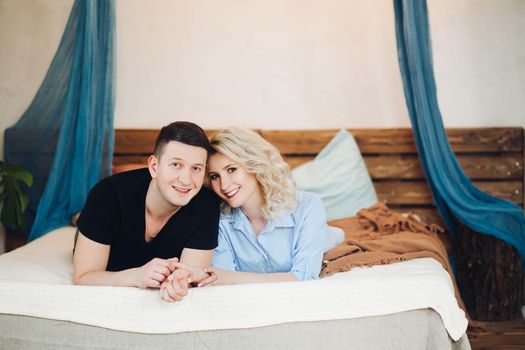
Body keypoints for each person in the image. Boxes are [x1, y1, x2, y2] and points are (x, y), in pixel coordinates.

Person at [165, 127, 334, 288]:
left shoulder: (308, 206)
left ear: (254, 165)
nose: (224, 185)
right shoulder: (218, 221)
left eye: (231, 169)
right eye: (215, 176)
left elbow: (305, 278)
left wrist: (231, 278)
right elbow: (222, 282)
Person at [73, 121, 220, 302]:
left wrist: (178, 284)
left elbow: (187, 274)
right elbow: (83, 277)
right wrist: (136, 277)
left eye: (196, 168)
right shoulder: (106, 195)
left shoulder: (207, 205)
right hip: (108, 217)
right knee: (89, 221)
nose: (186, 180)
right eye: (176, 165)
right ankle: (78, 219)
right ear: (154, 166)